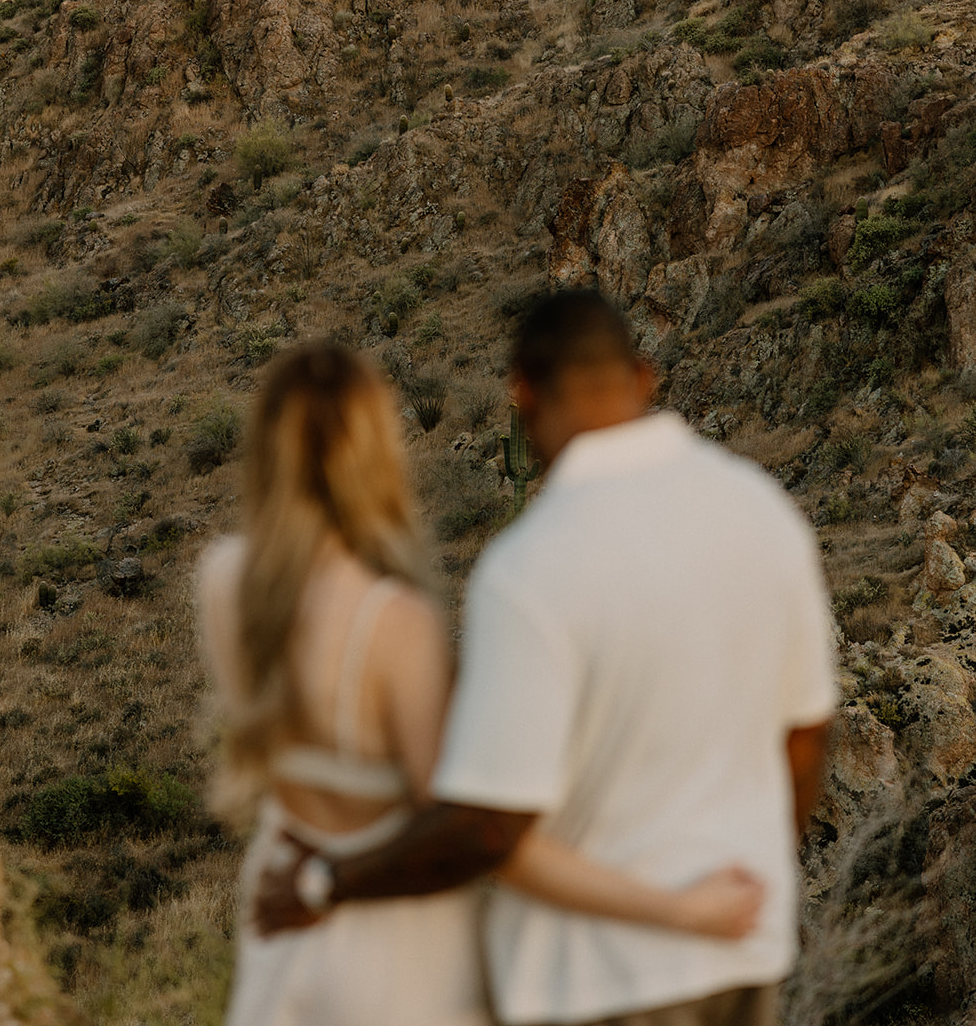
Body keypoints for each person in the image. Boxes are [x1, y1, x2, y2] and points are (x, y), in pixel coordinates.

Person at [255, 295, 837, 1026]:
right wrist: (755, 864)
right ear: (643, 377)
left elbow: (487, 828)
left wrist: (325, 881)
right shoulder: (764, 514)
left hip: (597, 978)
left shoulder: (531, 568)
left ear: (521, 392)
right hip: (743, 951)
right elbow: (806, 736)